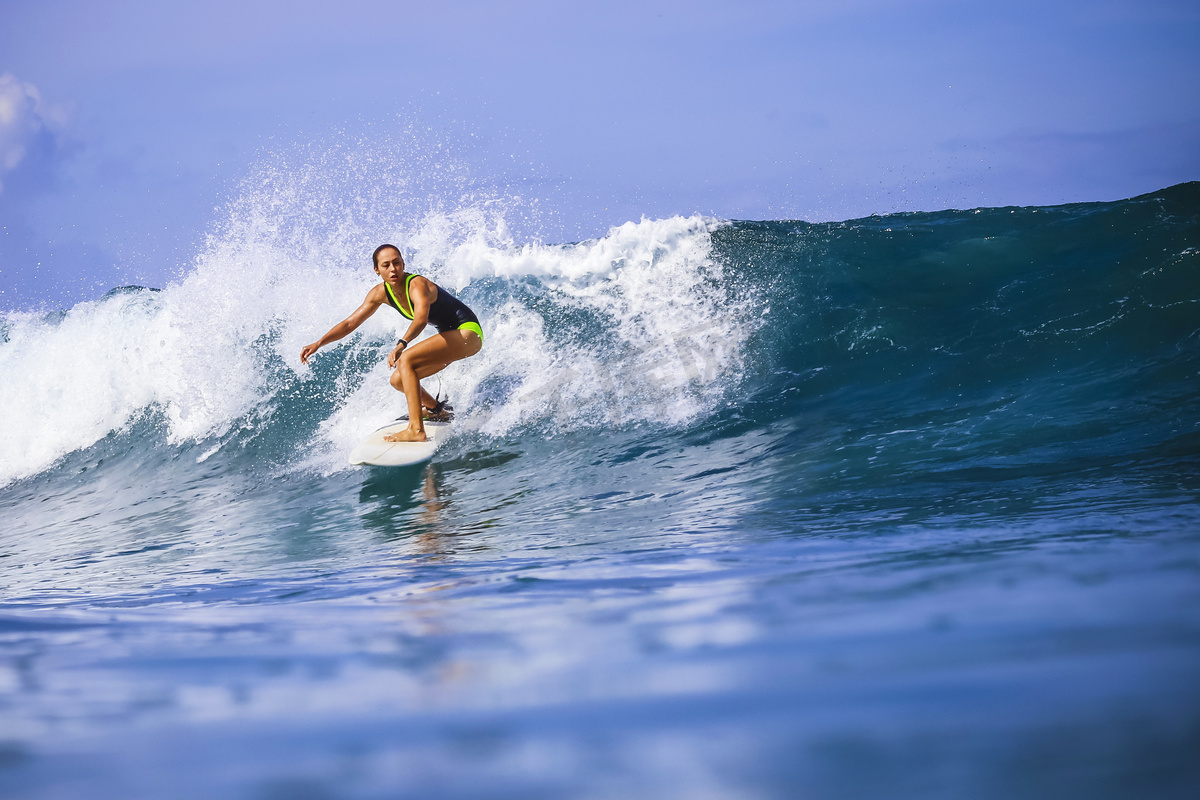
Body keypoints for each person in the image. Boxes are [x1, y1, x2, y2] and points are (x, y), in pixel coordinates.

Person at [300, 244, 483, 442]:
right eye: (386, 265)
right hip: (452, 336)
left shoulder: (416, 285)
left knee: (406, 360)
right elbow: (350, 323)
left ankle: (416, 430)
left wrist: (401, 344)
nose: (393, 269)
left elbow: (420, 318)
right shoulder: (379, 293)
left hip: (468, 333)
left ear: (403, 263)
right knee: (398, 380)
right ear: (377, 270)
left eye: (397, 263)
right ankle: (436, 410)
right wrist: (319, 343)